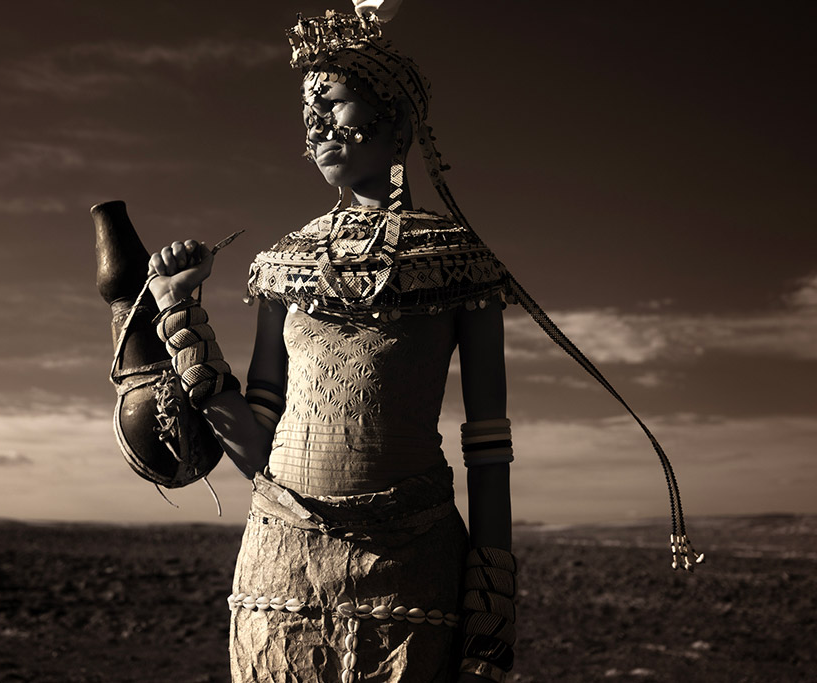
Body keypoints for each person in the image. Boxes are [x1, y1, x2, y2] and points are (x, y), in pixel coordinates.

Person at [140, 4, 699, 682]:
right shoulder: (281, 265)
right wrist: (181, 316)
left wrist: (492, 623)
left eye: (336, 101)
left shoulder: (459, 262)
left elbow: (490, 451)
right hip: (277, 575)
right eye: (307, 110)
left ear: (398, 118)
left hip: (412, 581)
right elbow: (259, 442)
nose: (316, 125)